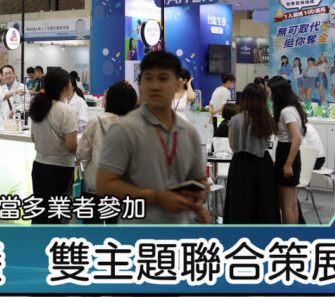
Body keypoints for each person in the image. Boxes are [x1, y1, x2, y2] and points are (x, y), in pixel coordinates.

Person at [96, 51, 210, 224]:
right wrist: (157, 197)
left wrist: (198, 196)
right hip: (136, 234)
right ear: (140, 85)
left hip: (178, 233)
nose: (155, 86)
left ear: (178, 85)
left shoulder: (189, 133)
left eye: (163, 78)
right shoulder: (124, 129)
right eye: (148, 78)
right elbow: (104, 185)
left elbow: (199, 179)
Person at [77, 80, 137, 223]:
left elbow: (82, 153)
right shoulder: (136, 125)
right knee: (118, 228)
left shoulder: (96, 122)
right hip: (124, 186)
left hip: (95, 184)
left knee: (92, 227)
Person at [223, 83, 280, 224]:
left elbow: (232, 145)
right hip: (262, 165)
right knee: (263, 203)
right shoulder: (266, 119)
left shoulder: (235, 120)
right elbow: (267, 142)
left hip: (239, 164)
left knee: (239, 202)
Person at [28, 68, 78, 224]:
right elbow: (71, 146)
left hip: (38, 166)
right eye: (69, 82)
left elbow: (33, 138)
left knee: (40, 213)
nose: (71, 85)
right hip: (60, 169)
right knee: (55, 215)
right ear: (64, 86)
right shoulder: (67, 111)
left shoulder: (38, 106)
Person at [268, 76, 305, 224]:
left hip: (287, 154)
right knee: (292, 203)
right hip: (289, 154)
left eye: (270, 92)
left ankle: (289, 235)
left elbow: (297, 138)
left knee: (286, 205)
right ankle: (294, 233)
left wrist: (288, 164)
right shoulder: (292, 108)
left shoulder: (286, 112)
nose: (269, 95)